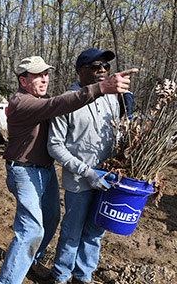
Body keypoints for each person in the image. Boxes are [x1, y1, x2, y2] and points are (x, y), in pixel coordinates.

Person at [0, 55, 136, 284]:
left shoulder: (44, 97)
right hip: (23, 171)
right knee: (31, 230)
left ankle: (31, 261)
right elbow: (58, 106)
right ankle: (7, 281)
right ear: (23, 81)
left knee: (51, 218)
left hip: (45, 170)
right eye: (37, 75)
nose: (45, 79)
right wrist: (100, 87)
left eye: (46, 74)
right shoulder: (21, 102)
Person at [47, 48, 128, 284]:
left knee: (95, 232)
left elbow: (119, 136)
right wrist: (87, 172)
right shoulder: (66, 101)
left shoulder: (113, 98)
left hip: (108, 181)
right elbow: (55, 146)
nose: (102, 70)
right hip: (79, 181)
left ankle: (83, 276)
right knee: (72, 232)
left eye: (106, 66)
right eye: (95, 66)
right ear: (81, 71)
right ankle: (60, 276)